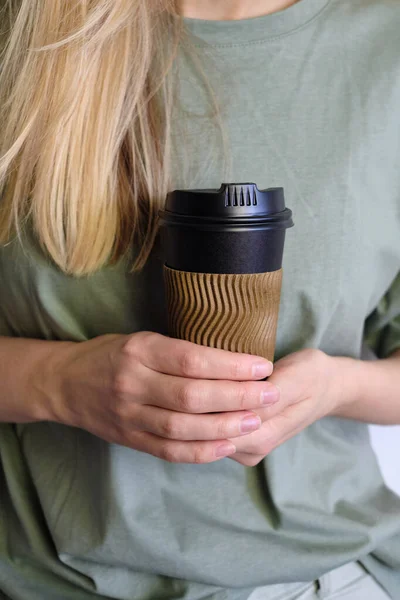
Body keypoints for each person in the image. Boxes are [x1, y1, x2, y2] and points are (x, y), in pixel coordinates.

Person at [0, 0, 399, 598]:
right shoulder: (26, 33)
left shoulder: (385, 42)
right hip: (50, 580)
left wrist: (335, 388)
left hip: (325, 575)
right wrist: (59, 382)